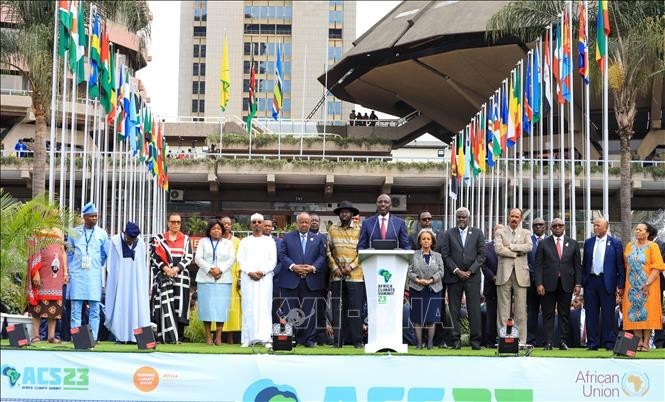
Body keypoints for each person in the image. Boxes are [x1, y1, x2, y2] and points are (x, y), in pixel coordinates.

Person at [278, 212, 328, 347]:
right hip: (291, 280)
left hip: (311, 280)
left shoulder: (318, 239)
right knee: (291, 312)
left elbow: (322, 257)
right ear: (297, 223)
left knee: (310, 312)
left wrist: (312, 268)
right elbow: (282, 255)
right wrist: (293, 267)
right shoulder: (287, 237)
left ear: (311, 223)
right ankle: (292, 339)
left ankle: (309, 340)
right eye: (302, 222)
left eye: (307, 222)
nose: (304, 224)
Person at [441, 206, 486, 349]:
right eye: (459, 217)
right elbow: (445, 255)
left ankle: (475, 342)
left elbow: (481, 255)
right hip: (454, 277)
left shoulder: (478, 233)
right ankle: (455, 341)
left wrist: (471, 271)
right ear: (456, 218)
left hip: (472, 278)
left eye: (464, 217)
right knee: (454, 310)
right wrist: (456, 270)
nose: (461, 219)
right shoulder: (448, 233)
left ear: (468, 218)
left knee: (474, 310)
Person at [535, 218, 581, 350]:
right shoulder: (543, 243)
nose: (557, 228)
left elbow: (577, 266)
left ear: (564, 227)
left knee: (564, 313)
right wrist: (539, 284)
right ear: (550, 228)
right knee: (547, 313)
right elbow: (538, 266)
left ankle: (562, 342)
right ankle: (548, 342)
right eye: (555, 226)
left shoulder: (573, 243)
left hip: (567, 284)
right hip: (548, 284)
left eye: (560, 225)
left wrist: (578, 283)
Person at [581, 218, 625, 350]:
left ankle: (609, 342)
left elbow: (620, 267)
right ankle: (592, 343)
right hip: (591, 282)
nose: (595, 228)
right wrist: (583, 281)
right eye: (594, 226)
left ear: (606, 228)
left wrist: (620, 285)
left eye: (598, 226)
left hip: (608, 282)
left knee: (608, 314)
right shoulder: (588, 243)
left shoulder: (615, 243)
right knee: (591, 314)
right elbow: (584, 265)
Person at [150, 213, 194, 344]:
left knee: (179, 306)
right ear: (168, 223)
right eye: (173, 222)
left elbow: (189, 257)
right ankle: (162, 336)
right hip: (164, 276)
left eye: (178, 222)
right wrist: (166, 269)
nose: (176, 224)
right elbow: (154, 256)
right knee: (163, 304)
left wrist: (176, 269)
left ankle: (178, 336)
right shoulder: (159, 239)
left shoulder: (186, 239)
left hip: (180, 277)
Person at [67, 202, 108, 342]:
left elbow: (104, 254)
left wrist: (96, 264)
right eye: (91, 216)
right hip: (78, 274)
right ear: (84, 217)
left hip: (94, 275)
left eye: (96, 216)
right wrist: (71, 269)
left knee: (95, 308)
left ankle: (93, 338)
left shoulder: (102, 233)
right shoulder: (74, 232)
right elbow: (70, 253)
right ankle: (76, 338)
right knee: (76, 309)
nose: (94, 219)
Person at [104, 222, 150, 343]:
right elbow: (111, 265)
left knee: (136, 305)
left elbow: (141, 267)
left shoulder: (140, 243)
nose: (130, 241)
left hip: (135, 283)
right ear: (124, 234)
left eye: (133, 239)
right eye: (129, 238)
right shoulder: (114, 242)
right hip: (120, 283)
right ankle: (121, 336)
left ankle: (136, 337)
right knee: (120, 306)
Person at [622, 223, 665, 352]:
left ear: (647, 233)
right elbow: (626, 264)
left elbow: (657, 267)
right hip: (632, 286)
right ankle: (638, 341)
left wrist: (647, 284)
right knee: (634, 313)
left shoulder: (653, 246)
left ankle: (646, 343)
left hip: (649, 286)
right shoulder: (630, 246)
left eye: (640, 230)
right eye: (636, 229)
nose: (637, 232)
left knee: (647, 313)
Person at [327, 201, 364, 348]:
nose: (344, 214)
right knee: (338, 309)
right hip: (337, 276)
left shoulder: (360, 230)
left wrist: (351, 266)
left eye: (347, 212)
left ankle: (357, 341)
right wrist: (335, 267)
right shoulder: (332, 229)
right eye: (342, 211)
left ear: (352, 214)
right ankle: (338, 341)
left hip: (355, 276)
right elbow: (328, 251)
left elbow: (362, 252)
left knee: (355, 309)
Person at [237, 213, 277, 347]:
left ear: (263, 224)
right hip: (248, 278)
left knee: (265, 307)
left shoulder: (270, 241)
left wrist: (262, 272)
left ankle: (265, 338)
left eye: (259, 222)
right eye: (254, 222)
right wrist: (250, 272)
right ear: (250, 224)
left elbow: (273, 260)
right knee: (248, 307)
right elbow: (240, 259)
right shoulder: (244, 241)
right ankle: (247, 338)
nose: (257, 225)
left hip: (265, 279)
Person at [494, 208, 533, 345]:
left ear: (521, 219)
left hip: (521, 275)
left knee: (521, 310)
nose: (514, 219)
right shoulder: (500, 232)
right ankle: (503, 340)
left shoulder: (526, 232)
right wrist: (516, 252)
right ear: (508, 217)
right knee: (503, 310)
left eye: (517, 217)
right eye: (512, 216)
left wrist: (510, 246)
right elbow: (498, 249)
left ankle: (521, 341)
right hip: (504, 274)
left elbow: (529, 247)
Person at [194, 220, 235, 345]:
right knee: (206, 308)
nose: (216, 231)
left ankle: (218, 336)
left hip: (223, 279)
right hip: (205, 278)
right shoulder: (203, 242)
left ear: (222, 230)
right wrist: (210, 270)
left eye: (218, 229)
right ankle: (208, 336)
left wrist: (220, 270)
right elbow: (198, 258)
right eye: (213, 229)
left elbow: (232, 259)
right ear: (209, 231)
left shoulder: (228, 243)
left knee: (220, 308)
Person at [26, 224, 68, 343]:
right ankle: (35, 336)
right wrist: (36, 273)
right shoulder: (36, 230)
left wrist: (65, 272)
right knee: (38, 305)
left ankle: (51, 336)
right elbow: (32, 252)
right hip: (42, 272)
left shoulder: (59, 231)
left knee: (54, 305)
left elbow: (63, 252)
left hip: (56, 274)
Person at [408, 229, 445, 349]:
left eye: (428, 239)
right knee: (418, 318)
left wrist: (430, 280)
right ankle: (419, 344)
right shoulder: (413, 255)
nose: (426, 241)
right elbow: (409, 271)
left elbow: (441, 271)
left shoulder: (438, 256)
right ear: (419, 241)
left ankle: (430, 344)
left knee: (431, 318)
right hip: (417, 289)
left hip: (433, 290)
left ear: (432, 241)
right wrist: (418, 280)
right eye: (423, 239)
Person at [309, 213, 330, 346]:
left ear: (319, 222)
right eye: (312, 220)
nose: (314, 222)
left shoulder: (324, 238)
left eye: (316, 220)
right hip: (305, 279)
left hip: (321, 279)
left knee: (321, 310)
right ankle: (306, 337)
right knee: (307, 310)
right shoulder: (301, 238)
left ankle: (321, 338)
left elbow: (327, 258)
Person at [481, 224, 503, 347]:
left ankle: (503, 339)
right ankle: (490, 341)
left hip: (505, 286)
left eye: (501, 230)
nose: (499, 232)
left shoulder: (508, 246)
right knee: (491, 314)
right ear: (494, 232)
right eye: (497, 230)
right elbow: (483, 265)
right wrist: (493, 277)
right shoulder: (486, 247)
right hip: (491, 285)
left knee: (504, 314)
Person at [220, 216, 242, 343]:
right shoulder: (215, 240)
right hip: (218, 276)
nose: (226, 226)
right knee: (219, 305)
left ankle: (232, 338)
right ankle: (218, 335)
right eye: (224, 224)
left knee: (233, 307)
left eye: (228, 224)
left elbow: (239, 259)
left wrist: (239, 277)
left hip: (233, 276)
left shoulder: (237, 241)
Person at [527, 217, 547, 345]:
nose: (538, 227)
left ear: (545, 226)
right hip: (531, 282)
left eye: (540, 225)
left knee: (547, 312)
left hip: (548, 284)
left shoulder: (550, 241)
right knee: (532, 312)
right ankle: (531, 339)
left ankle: (547, 340)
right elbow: (526, 261)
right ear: (532, 227)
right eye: (536, 225)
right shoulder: (528, 241)